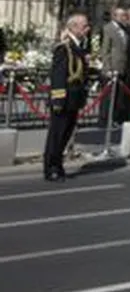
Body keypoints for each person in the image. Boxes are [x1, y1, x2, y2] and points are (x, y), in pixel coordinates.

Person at [43, 13, 90, 182]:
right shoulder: (64, 48)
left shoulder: (78, 47)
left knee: (65, 134)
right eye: (84, 26)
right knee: (57, 134)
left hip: (74, 98)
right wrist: (58, 100)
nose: (87, 29)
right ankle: (51, 167)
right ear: (74, 27)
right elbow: (59, 76)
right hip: (64, 99)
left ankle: (58, 163)